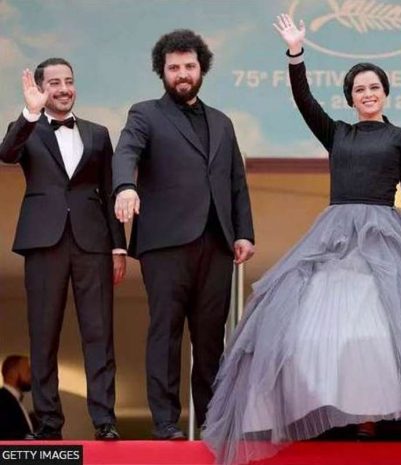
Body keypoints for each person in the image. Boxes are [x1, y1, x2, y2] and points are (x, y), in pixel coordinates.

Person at [202, 15, 401, 465]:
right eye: (359, 90)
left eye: (374, 87)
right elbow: (303, 100)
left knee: (385, 331)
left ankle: (382, 417)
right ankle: (338, 414)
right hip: (335, 235)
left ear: (385, 93)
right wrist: (296, 53)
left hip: (386, 235)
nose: (367, 94)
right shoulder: (338, 133)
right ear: (351, 99)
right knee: (326, 330)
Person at [112, 29, 255, 440]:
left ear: (201, 69)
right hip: (166, 244)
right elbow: (127, 152)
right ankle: (164, 422)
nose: (182, 74)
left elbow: (236, 183)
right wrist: (125, 186)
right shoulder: (145, 114)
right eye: (173, 68)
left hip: (216, 242)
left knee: (211, 337)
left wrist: (243, 232)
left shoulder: (222, 123)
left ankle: (211, 421)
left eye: (189, 66)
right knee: (166, 331)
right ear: (162, 72)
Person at [0, 59, 127, 440]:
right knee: (43, 335)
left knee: (99, 333)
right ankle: (50, 423)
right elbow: (6, 153)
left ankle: (105, 421)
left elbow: (109, 190)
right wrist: (29, 112)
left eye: (69, 81)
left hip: (93, 242)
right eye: (54, 82)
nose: (63, 88)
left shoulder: (98, 133)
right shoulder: (28, 129)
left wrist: (118, 248)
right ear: (41, 88)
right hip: (44, 242)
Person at [0, 355, 33, 439]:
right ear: (12, 373)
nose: (31, 376)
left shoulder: (15, 402)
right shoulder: (2, 401)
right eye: (28, 371)